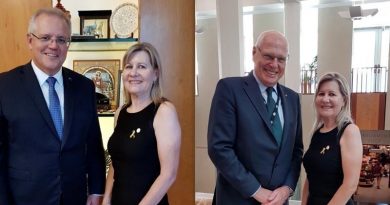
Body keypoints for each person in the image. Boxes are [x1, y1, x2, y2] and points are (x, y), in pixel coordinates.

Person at [0, 8, 106, 205]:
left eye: (61, 39)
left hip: (75, 198)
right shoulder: (5, 87)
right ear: (30, 41)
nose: (53, 45)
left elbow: (93, 145)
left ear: (68, 45)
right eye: (45, 37)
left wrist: (97, 190)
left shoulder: (84, 87)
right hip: (23, 199)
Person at [207, 30, 303, 205]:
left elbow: (296, 151)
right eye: (268, 56)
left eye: (281, 59)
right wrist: (256, 191)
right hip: (237, 200)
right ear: (254, 53)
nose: (274, 64)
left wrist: (287, 189)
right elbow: (219, 148)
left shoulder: (293, 99)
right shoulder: (229, 89)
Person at [102, 42, 181, 205]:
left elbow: (169, 174)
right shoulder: (120, 113)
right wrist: (106, 199)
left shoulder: (164, 111)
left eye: (142, 67)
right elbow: (117, 163)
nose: (134, 73)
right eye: (129, 66)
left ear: (155, 74)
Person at [302, 72, 362, 205]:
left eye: (332, 94)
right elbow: (310, 177)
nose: (325, 99)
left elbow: (350, 185)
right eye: (321, 93)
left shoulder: (349, 131)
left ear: (344, 100)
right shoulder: (317, 133)